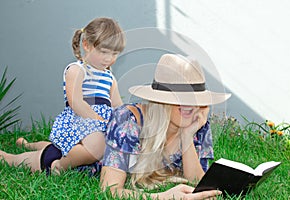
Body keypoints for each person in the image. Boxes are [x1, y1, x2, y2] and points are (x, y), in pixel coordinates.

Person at [0, 17, 125, 175]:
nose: (109, 58)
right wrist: (98, 121)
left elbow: (117, 105)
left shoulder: (110, 78)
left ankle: (29, 144)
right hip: (80, 119)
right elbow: (76, 102)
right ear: (86, 45)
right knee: (95, 145)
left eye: (114, 53)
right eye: (104, 52)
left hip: (99, 125)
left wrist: (124, 120)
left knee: (64, 147)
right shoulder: (77, 69)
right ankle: (58, 164)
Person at [99, 53, 231, 199]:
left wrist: (187, 136)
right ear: (161, 101)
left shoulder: (197, 122)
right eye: (181, 98)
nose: (191, 106)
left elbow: (197, 182)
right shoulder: (127, 120)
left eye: (195, 99)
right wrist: (162, 197)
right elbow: (109, 190)